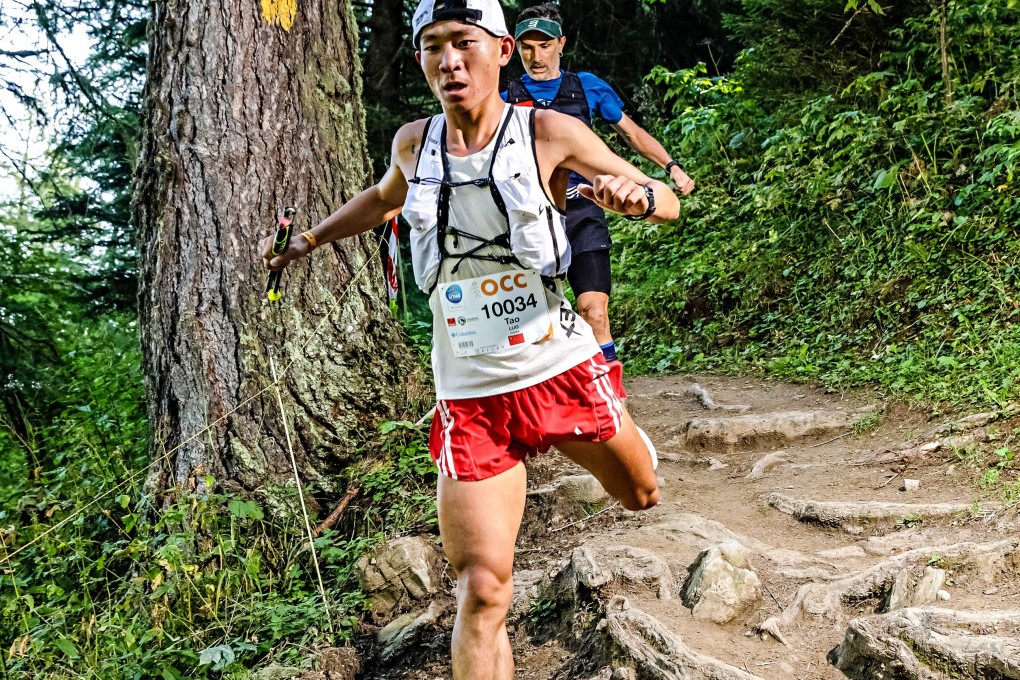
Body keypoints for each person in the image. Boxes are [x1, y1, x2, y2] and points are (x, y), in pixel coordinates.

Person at [262, 1, 680, 677]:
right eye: (432, 47)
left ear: (503, 50)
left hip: (558, 367)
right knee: (483, 589)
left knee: (640, 494)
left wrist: (635, 197)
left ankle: (622, 421)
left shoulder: (549, 130)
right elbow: (383, 198)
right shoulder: (413, 141)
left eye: (464, 43)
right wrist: (308, 240)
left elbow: (663, 198)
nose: (449, 61)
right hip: (470, 395)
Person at [503, 2, 694, 366]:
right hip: (530, 217)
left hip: (583, 212)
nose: (536, 56)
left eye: (544, 45)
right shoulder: (504, 98)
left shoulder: (587, 87)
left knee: (594, 312)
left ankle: (609, 398)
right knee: (531, 323)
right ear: (515, 49)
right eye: (527, 47)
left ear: (561, 44)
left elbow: (631, 134)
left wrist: (671, 166)